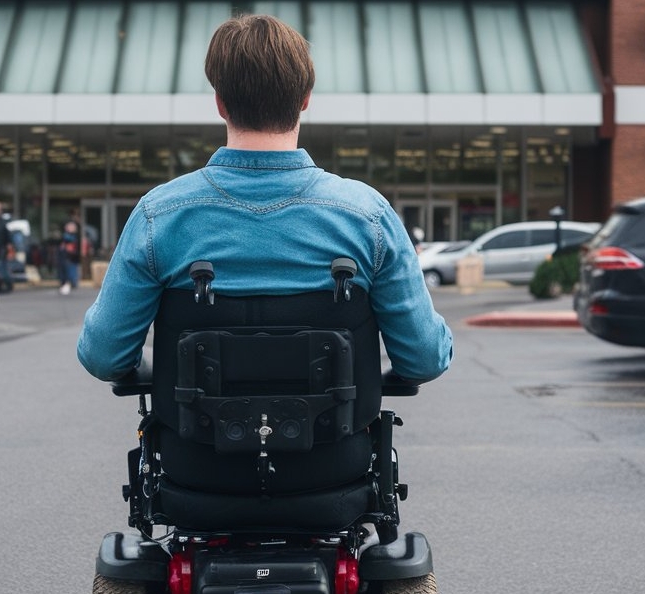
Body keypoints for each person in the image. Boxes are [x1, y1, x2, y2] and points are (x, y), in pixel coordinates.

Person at [78, 13, 452, 386]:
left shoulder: (158, 216)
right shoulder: (368, 217)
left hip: (194, 444)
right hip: (336, 444)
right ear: (305, 100)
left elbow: (104, 356)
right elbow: (423, 359)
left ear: (220, 103)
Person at [58, 210, 81, 295]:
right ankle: (66, 282)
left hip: (73, 257)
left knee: (72, 270)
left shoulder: (74, 236)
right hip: (67, 257)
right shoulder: (65, 236)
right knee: (66, 270)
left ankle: (71, 282)